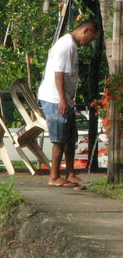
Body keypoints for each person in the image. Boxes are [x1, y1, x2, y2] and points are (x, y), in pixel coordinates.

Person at [37, 19, 100, 187]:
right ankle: (54, 176)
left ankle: (70, 173)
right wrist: (62, 99)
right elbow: (59, 74)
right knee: (59, 138)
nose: (89, 43)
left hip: (65, 98)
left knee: (70, 137)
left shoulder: (71, 45)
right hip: (55, 98)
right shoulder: (67, 45)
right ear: (86, 30)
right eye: (91, 38)